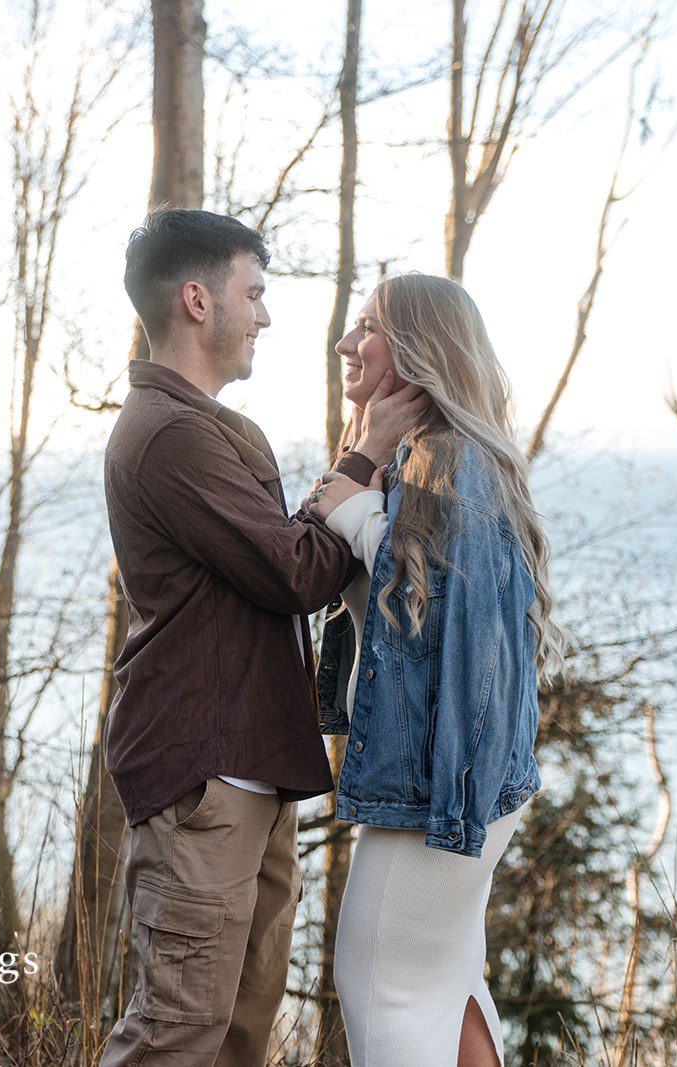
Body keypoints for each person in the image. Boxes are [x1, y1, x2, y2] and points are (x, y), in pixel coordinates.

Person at [98, 208, 428, 1066]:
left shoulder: (206, 427)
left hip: (245, 774)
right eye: (256, 293)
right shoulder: (171, 434)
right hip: (203, 775)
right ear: (198, 301)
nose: (267, 315)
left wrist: (358, 464)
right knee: (176, 1033)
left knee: (241, 1030)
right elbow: (294, 572)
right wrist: (362, 454)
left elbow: (273, 556)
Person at [305, 273, 568, 1067]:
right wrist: (361, 479)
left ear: (419, 350)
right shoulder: (424, 456)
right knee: (445, 985)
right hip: (448, 785)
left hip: (441, 791)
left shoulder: (451, 461)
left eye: (368, 327)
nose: (348, 343)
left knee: (383, 991)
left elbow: (465, 626)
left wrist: (353, 509)